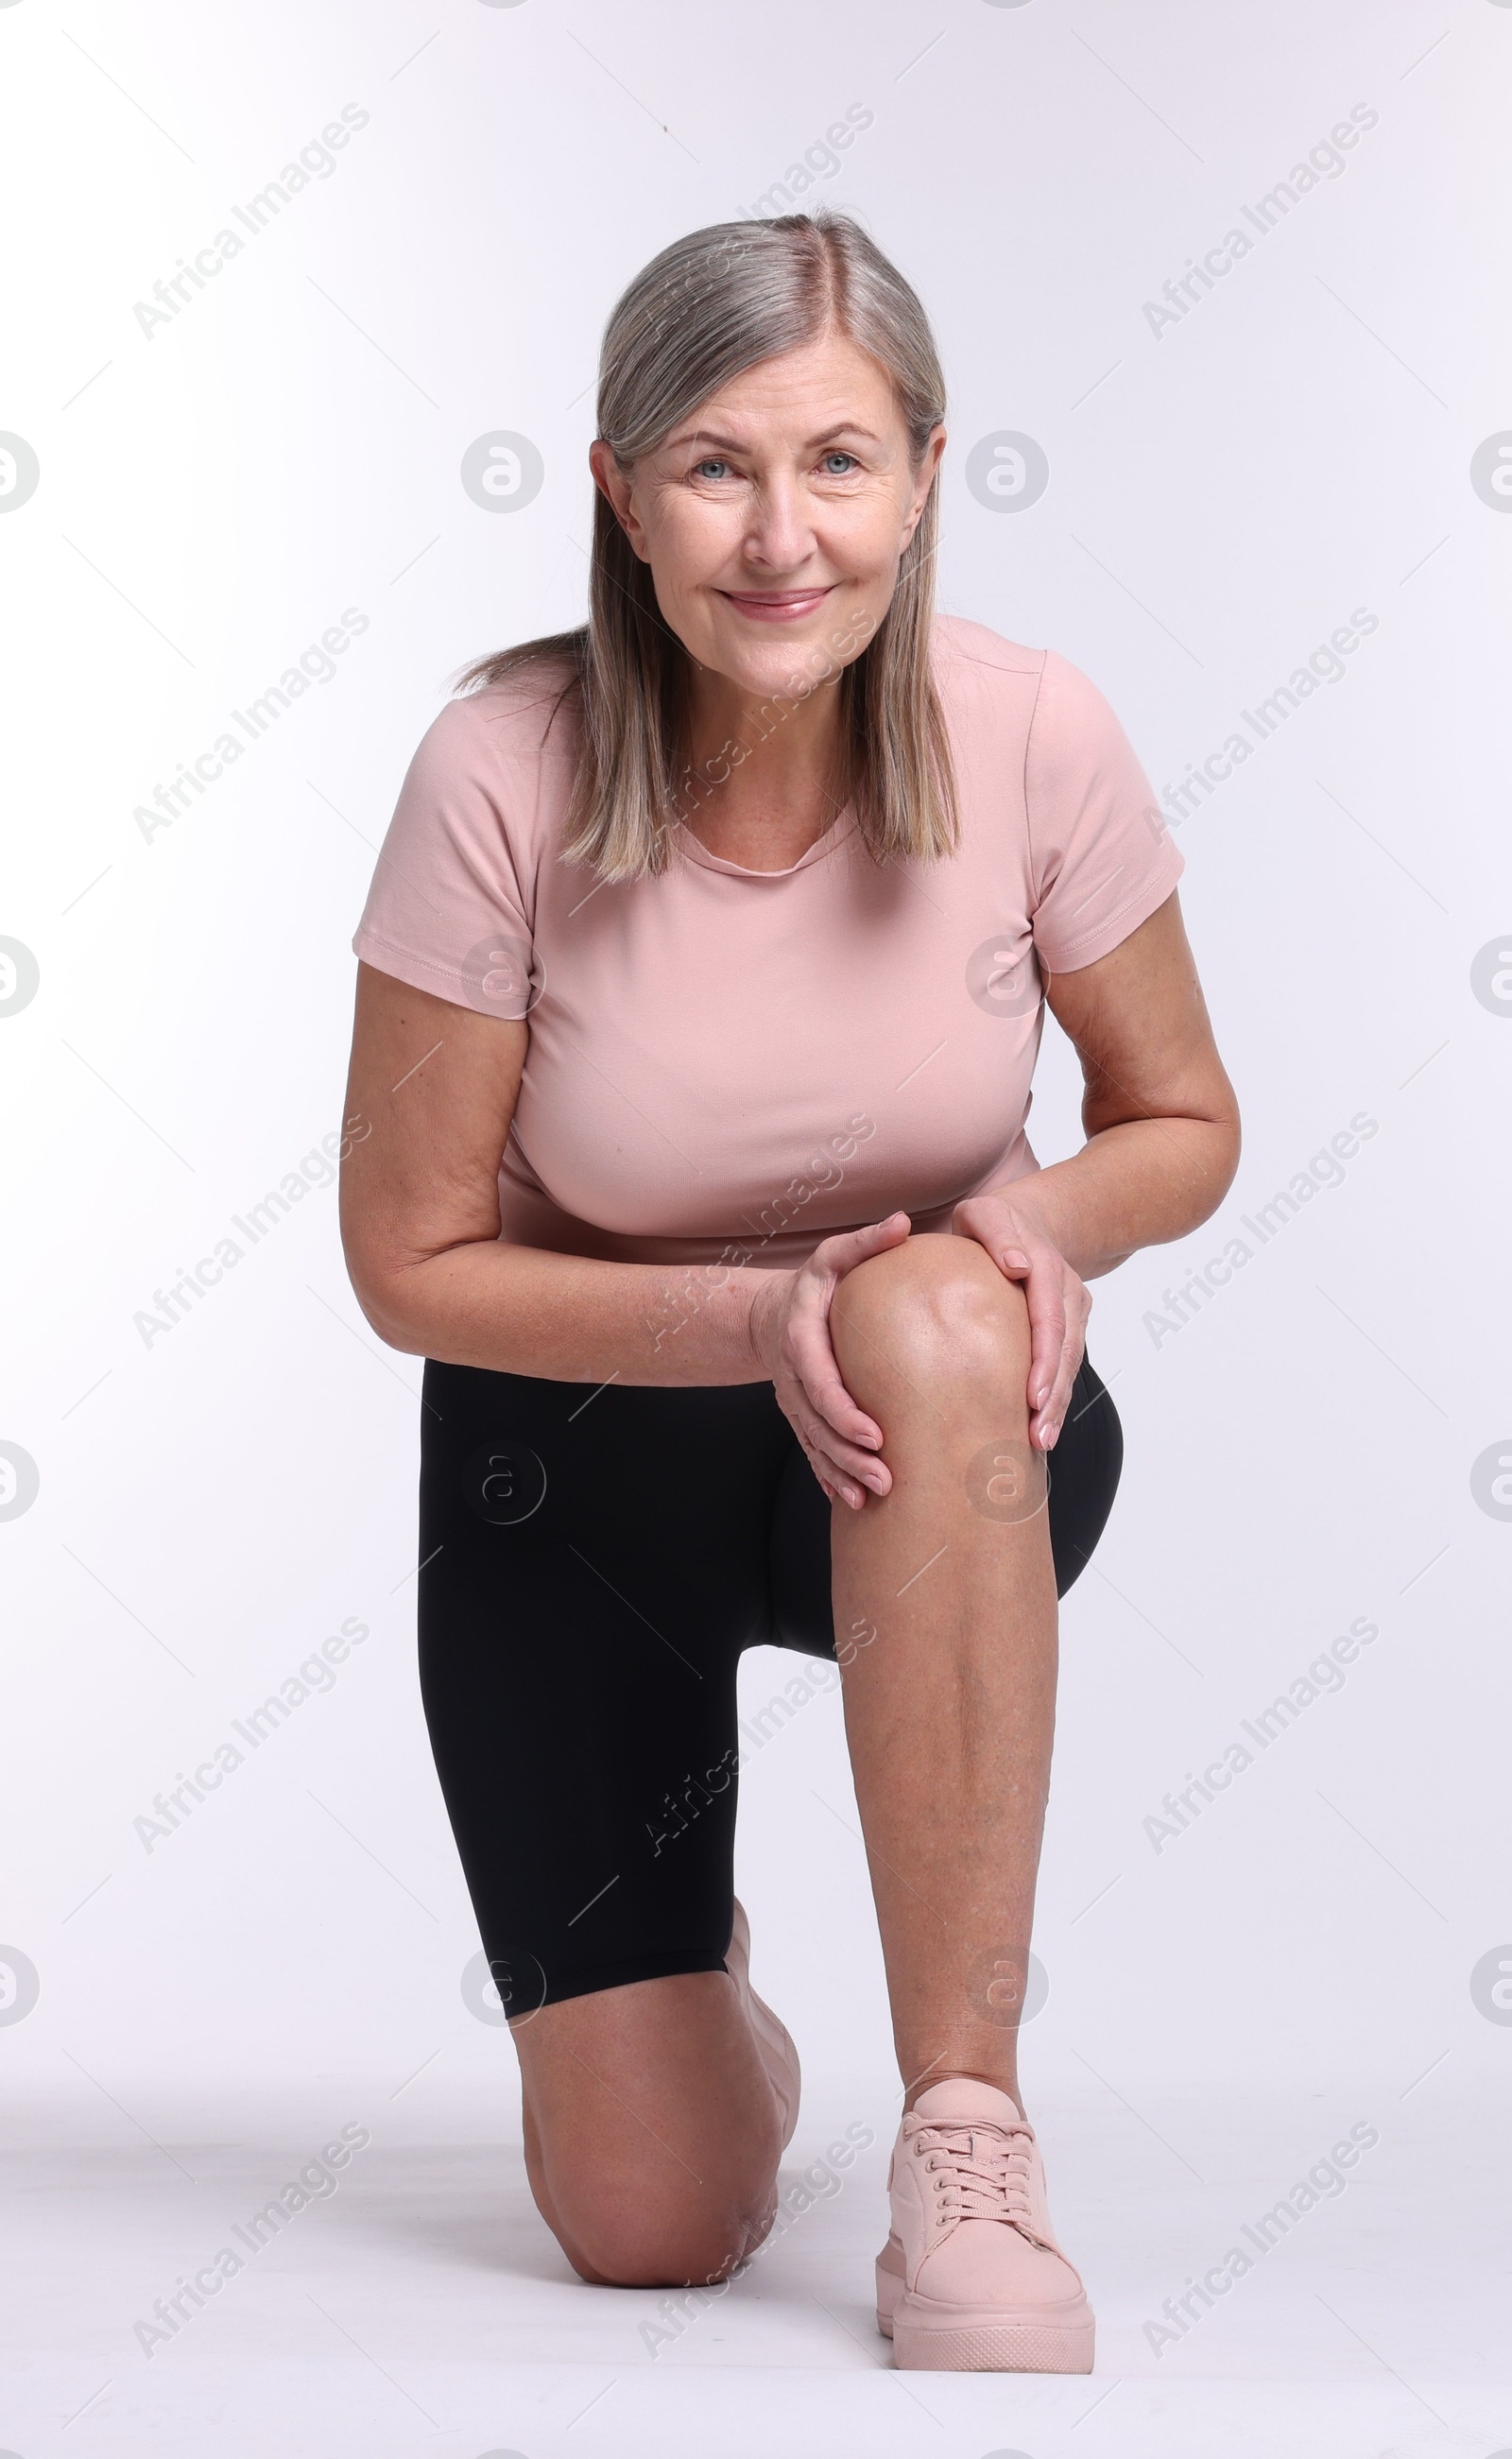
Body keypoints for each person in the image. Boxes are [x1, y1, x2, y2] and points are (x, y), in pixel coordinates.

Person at [339, 208, 1239, 2375]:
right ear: (617, 488)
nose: (779, 536)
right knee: (647, 2226)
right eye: (715, 465)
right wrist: (748, 1315)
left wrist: (1036, 1230)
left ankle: (965, 2132)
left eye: (836, 463)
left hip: (941, 1449)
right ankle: (698, 1983)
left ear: (925, 478)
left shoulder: (1029, 730)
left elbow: (1179, 1120)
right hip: (571, 1475)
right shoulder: (500, 770)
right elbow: (409, 1265)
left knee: (920, 1305)